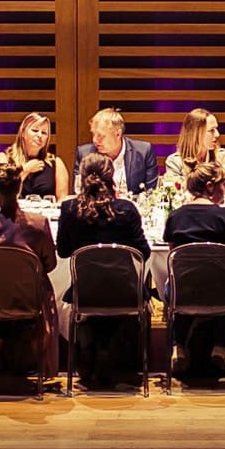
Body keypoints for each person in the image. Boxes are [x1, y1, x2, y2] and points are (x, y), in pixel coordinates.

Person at [56, 152, 153, 389]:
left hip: (85, 292)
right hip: (125, 292)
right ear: (112, 177)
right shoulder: (126, 210)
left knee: (90, 294)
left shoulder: (70, 209)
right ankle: (124, 364)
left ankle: (90, 359)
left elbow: (63, 251)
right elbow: (145, 252)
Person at [0, 157, 60, 392]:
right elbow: (50, 264)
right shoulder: (38, 224)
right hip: (28, 300)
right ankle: (41, 366)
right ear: (19, 187)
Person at [163, 161, 225, 380]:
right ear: (210, 187)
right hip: (222, 293)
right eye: (224, 184)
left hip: (184, 292)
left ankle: (178, 345)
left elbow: (174, 260)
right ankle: (220, 346)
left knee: (179, 282)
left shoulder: (175, 216)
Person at [75, 107, 157, 197]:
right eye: (93, 134)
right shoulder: (85, 154)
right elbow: (79, 192)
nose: (94, 140)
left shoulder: (143, 152)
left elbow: (151, 193)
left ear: (118, 134)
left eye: (100, 136)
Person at [0, 112, 70, 200]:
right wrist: (25, 170)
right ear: (23, 133)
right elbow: (1, 196)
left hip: (47, 213)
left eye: (44, 133)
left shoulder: (56, 163)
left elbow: (62, 200)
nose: (39, 135)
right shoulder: (4, 159)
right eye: (35, 130)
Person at [162, 107, 225, 183]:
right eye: (211, 130)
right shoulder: (175, 162)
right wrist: (219, 177)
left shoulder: (223, 157)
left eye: (216, 129)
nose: (217, 134)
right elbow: (175, 192)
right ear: (195, 134)